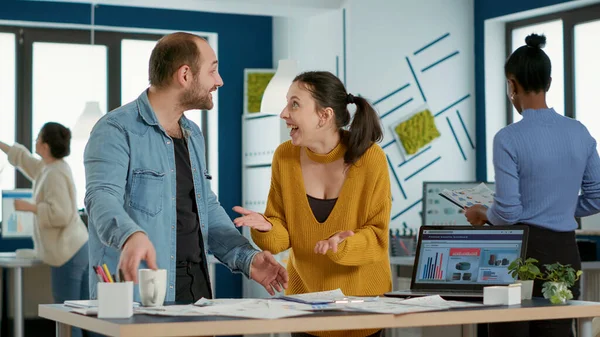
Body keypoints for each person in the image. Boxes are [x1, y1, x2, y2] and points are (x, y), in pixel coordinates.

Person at [83, 32, 288, 304]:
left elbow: (206, 208)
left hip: (196, 288)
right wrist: (130, 234)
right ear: (185, 75)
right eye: (213, 71)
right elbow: (100, 198)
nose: (219, 81)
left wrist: (247, 258)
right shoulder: (116, 129)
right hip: (140, 294)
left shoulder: (192, 134)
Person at [233, 71, 392, 337]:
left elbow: (377, 237)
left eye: (294, 104)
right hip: (305, 308)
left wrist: (343, 246)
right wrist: (265, 228)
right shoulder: (285, 156)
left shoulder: (370, 158)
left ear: (324, 115)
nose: (284, 113)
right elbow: (281, 237)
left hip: (362, 308)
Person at [465, 33, 600, 337]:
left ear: (512, 84)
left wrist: (483, 212)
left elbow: (510, 212)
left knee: (509, 333)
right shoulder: (579, 132)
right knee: (557, 331)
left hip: (519, 254)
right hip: (565, 251)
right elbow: (598, 196)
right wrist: (561, 205)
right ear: (548, 81)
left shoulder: (509, 138)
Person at [0, 122, 89, 337]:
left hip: (68, 254)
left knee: (68, 318)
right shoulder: (48, 167)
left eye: (38, 138)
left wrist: (29, 207)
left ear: (46, 146)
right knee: (84, 315)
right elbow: (23, 159)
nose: (35, 142)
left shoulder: (54, 174)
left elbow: (62, 214)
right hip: (77, 249)